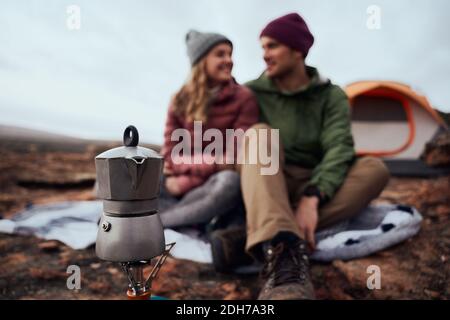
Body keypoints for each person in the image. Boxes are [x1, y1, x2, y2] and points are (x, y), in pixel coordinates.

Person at [213, 13, 390, 299]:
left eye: (272, 47)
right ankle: (284, 265)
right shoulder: (250, 92)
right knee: (259, 135)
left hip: (313, 178)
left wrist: (313, 195)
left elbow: (339, 147)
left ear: (297, 50)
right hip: (268, 178)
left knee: (375, 169)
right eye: (262, 48)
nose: (265, 56)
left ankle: (256, 237)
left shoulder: (331, 95)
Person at [158, 30, 259, 231]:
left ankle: (155, 222)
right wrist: (178, 173)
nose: (229, 60)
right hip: (181, 182)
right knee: (135, 169)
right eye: (220, 54)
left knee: (229, 183)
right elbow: (170, 153)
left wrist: (186, 180)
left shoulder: (244, 98)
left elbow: (232, 158)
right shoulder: (179, 100)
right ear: (202, 60)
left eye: (230, 54)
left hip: (210, 184)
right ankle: (191, 217)